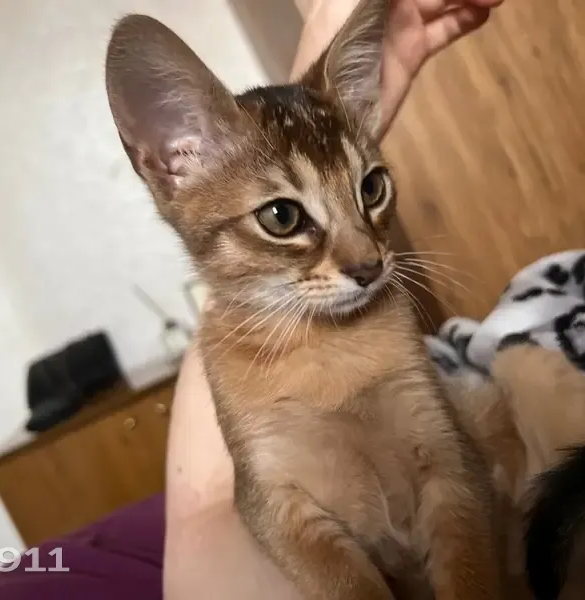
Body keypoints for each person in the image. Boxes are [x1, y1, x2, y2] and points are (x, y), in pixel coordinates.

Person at [163, 1, 506, 599]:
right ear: (172, 161)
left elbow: (452, 485)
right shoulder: (233, 362)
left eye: (370, 189)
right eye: (283, 216)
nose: (365, 258)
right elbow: (247, 514)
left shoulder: (387, 316)